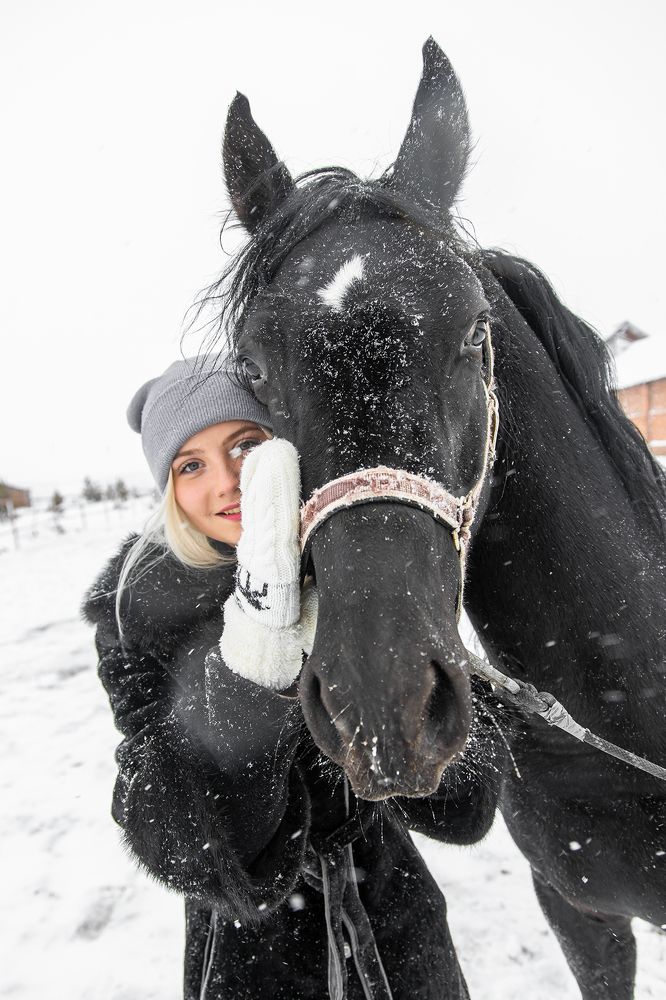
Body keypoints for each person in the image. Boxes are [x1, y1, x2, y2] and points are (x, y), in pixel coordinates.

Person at [83, 355, 508, 1000]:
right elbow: (179, 839)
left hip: (396, 930)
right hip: (248, 961)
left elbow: (465, 806)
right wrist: (254, 660)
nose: (226, 482)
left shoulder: (364, 567)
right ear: (169, 491)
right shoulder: (139, 613)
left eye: (246, 447)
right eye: (190, 465)